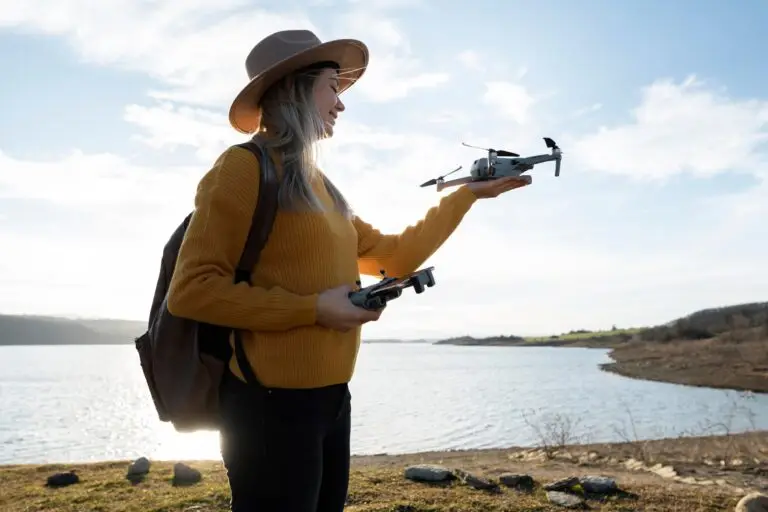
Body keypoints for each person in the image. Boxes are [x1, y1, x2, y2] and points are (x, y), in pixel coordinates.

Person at [166, 29, 531, 512]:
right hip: (269, 409)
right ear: (295, 87)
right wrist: (315, 308)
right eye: (332, 87)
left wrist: (466, 195)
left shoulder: (319, 185)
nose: (341, 103)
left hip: (332, 402)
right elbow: (192, 291)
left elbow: (394, 257)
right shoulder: (242, 169)